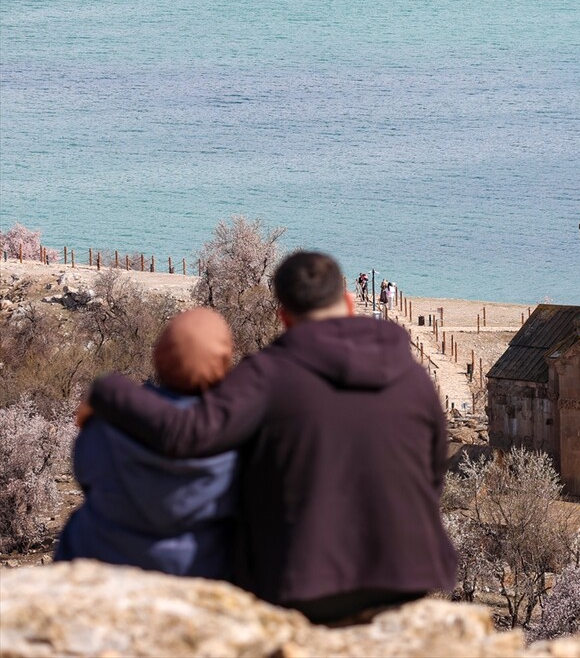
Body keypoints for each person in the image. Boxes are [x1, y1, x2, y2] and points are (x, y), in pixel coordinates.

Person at [84, 252, 456, 625]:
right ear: (348, 302)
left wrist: (108, 389)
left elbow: (185, 434)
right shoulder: (411, 376)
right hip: (409, 574)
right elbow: (434, 472)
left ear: (284, 318)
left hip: (304, 583)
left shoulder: (269, 375)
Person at [56, 308, 238, 579]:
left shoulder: (108, 425)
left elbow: (85, 475)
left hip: (101, 562)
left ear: (159, 356)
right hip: (199, 567)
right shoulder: (235, 434)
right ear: (224, 361)